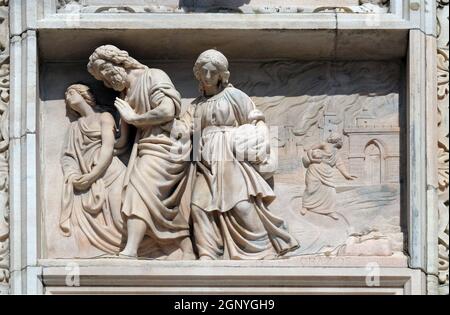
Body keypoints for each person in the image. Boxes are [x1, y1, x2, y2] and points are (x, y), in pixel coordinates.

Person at [188, 49, 299, 260]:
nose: (208, 77)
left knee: (241, 205)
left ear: (222, 75)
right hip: (205, 163)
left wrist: (256, 143)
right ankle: (207, 253)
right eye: (204, 72)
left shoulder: (234, 96)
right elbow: (190, 134)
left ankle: (265, 250)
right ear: (198, 74)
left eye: (213, 72)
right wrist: (194, 159)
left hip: (231, 158)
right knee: (197, 205)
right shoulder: (195, 106)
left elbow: (254, 124)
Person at [87, 45, 194, 259]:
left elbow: (167, 110)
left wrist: (135, 119)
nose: (107, 82)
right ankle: (187, 249)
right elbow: (123, 141)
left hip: (169, 145)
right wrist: (95, 150)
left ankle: (131, 250)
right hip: (147, 147)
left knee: (137, 190)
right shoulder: (125, 97)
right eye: (102, 80)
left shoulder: (153, 75)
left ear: (117, 62)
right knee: (155, 202)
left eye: (105, 73)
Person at [60, 84, 126, 253]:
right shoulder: (74, 127)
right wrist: (74, 176)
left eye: (71, 92)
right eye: (66, 94)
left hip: (110, 172)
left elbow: (108, 147)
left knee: (119, 216)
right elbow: (68, 157)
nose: (68, 97)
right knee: (79, 224)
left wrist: (94, 174)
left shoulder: (104, 117)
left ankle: (137, 247)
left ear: (85, 95)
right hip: (86, 179)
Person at [301, 132, 357, 220]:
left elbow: (339, 164)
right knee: (311, 188)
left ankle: (330, 211)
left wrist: (347, 175)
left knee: (330, 191)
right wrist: (311, 159)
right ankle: (305, 206)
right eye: (340, 139)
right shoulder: (323, 144)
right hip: (315, 169)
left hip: (327, 172)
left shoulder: (336, 152)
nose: (341, 141)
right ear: (336, 140)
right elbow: (309, 150)